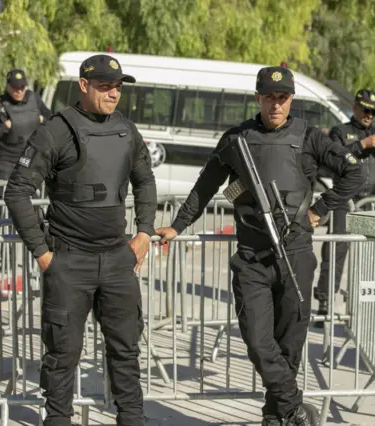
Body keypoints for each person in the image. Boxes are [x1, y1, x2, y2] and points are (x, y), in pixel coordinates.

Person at [155, 66, 364, 426]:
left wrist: (319, 210)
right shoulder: (237, 140)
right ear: (258, 98)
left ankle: (276, 416)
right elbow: (205, 187)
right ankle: (293, 403)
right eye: (269, 97)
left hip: (296, 255)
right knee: (256, 339)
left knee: (289, 346)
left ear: (291, 100)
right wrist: (177, 225)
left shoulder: (309, 137)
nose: (276, 104)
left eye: (282, 98)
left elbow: (354, 174)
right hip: (252, 258)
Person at [3, 54, 157, 426]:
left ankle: (132, 420)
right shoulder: (56, 130)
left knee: (126, 352)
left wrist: (145, 231)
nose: (113, 93)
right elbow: (18, 191)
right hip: (69, 262)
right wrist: (42, 253)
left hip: (117, 261)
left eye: (118, 87)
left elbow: (145, 181)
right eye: (105, 86)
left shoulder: (126, 130)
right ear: (84, 85)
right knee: (62, 357)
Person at [313, 89, 375, 328]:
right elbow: (335, 158)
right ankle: (325, 303)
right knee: (336, 250)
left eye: (373, 111)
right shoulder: (340, 131)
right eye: (365, 109)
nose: (369, 115)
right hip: (346, 199)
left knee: (374, 253)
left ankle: (369, 307)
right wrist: (362, 144)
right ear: (354, 107)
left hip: (374, 200)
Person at [0, 69, 52, 218]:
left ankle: (34, 240)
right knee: (4, 209)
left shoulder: (34, 99)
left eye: (22, 88)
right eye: (15, 88)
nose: (19, 91)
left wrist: (42, 121)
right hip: (6, 164)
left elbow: (52, 120)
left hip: (31, 162)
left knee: (33, 209)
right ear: (8, 86)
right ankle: (0, 239)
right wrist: (3, 127)